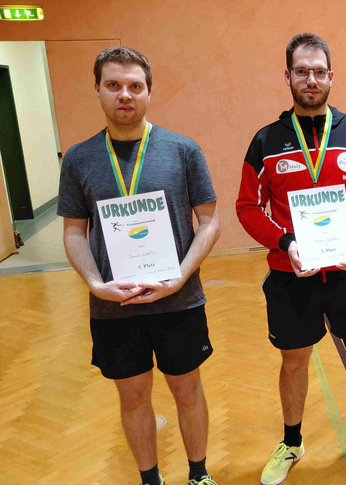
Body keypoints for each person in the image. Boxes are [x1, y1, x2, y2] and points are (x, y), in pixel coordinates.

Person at [236, 33, 346, 484]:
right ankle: (292, 442)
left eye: (319, 71)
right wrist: (283, 242)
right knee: (294, 360)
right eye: (302, 71)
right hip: (291, 275)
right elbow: (247, 206)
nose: (311, 79)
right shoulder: (266, 141)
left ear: (331, 77)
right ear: (288, 76)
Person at [58, 47, 221, 485]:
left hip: (179, 301)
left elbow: (210, 222)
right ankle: (151, 480)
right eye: (114, 85)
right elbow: (74, 232)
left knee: (187, 391)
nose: (125, 95)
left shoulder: (183, 150)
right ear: (97, 89)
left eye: (135, 86)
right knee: (132, 398)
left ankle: (199, 475)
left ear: (150, 92)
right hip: (114, 306)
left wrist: (180, 277)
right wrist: (95, 284)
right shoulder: (78, 158)